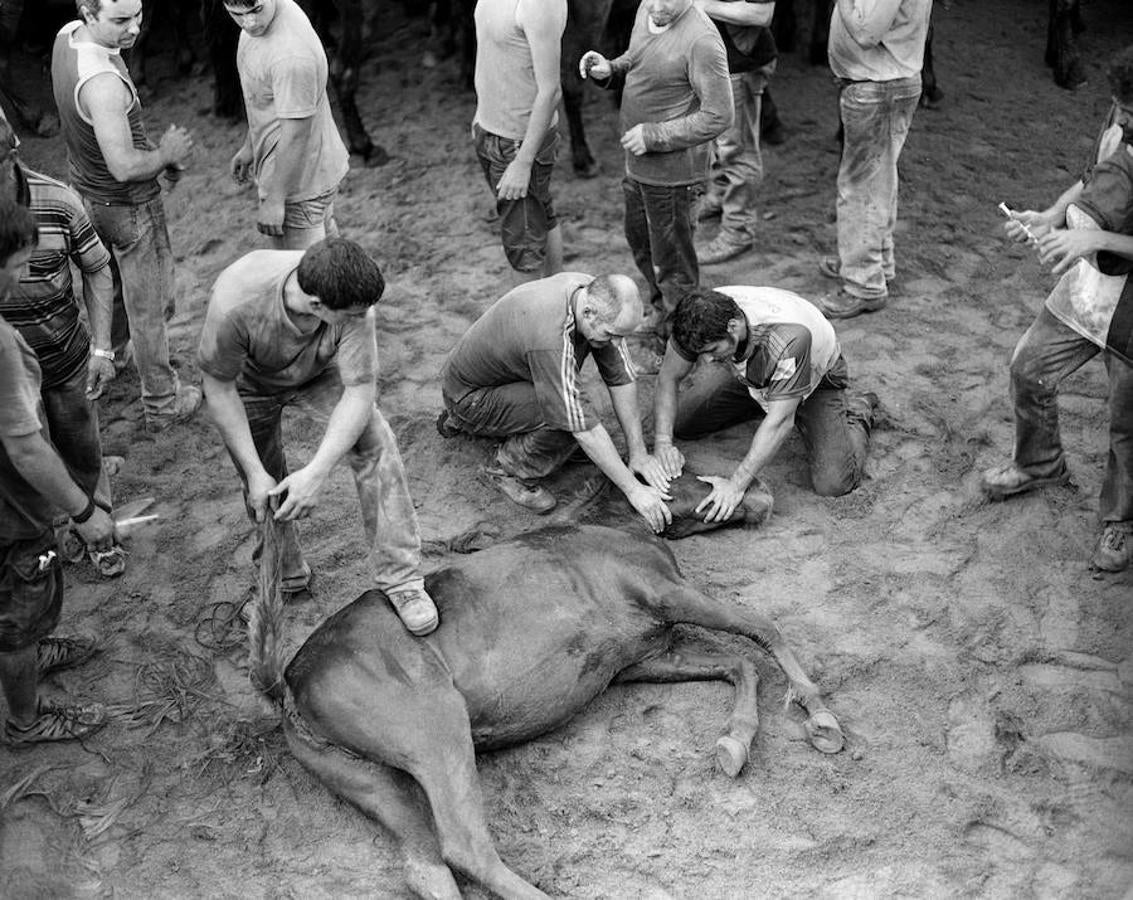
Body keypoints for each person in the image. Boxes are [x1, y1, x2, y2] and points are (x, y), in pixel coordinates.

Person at [198, 239, 439, 636]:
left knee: (375, 441)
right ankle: (283, 575)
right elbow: (219, 388)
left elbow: (360, 390)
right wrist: (255, 471)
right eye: (354, 315)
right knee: (262, 483)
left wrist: (317, 471)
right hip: (248, 384)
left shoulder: (350, 297)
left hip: (320, 372)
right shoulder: (237, 301)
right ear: (316, 305)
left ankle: (402, 579)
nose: (364, 317)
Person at [981, 47, 1133, 574]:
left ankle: (1122, 519)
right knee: (1030, 367)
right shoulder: (1124, 111)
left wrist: (1090, 235)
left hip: (1131, 307)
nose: (1121, 118)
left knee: (1126, 421)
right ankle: (1039, 462)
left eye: (1129, 112)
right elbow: (1094, 178)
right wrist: (1051, 218)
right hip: (1092, 281)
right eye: (1120, 108)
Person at [50, 0, 200, 433]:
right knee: (151, 307)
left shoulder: (66, 38)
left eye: (138, 14)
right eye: (120, 20)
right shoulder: (104, 85)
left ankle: (113, 352)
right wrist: (166, 154)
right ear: (88, 13)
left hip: (87, 196)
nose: (135, 27)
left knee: (109, 283)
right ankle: (162, 402)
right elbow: (124, 166)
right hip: (130, 206)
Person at [0, 198, 114, 745]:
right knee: (20, 602)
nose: (25, 277)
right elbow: (26, 449)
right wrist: (85, 512)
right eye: (18, 264)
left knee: (21, 602)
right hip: (12, 512)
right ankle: (26, 719)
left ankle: (31, 648)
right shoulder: (1, 345)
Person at [438, 272, 673, 531]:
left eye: (622, 335)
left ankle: (502, 423)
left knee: (582, 407)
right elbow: (581, 427)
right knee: (569, 419)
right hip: (470, 397)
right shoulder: (552, 336)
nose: (617, 343)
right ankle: (506, 468)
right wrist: (634, 490)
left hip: (505, 378)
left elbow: (622, 378)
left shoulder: (593, 294)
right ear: (589, 314)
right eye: (611, 335)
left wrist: (638, 452)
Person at [0, 116, 125, 577]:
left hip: (65, 358)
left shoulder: (59, 200)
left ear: (12, 155)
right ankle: (48, 547)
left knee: (82, 449)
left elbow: (96, 267)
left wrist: (103, 349)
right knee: (24, 463)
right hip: (8, 373)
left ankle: (98, 529)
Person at [649, 287, 877, 523]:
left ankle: (856, 412)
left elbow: (781, 423)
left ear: (733, 328)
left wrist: (735, 485)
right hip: (751, 370)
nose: (706, 361)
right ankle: (769, 398)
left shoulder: (788, 339)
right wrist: (662, 443)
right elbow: (668, 377)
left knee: (834, 482)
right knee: (682, 422)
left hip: (814, 376)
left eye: (712, 351)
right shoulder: (695, 320)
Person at [580, 0, 732, 347]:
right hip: (638, 165)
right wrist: (612, 69)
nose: (656, 6)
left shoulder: (702, 40)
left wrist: (654, 135)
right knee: (641, 244)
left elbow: (719, 115)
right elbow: (638, 58)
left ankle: (681, 344)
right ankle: (663, 313)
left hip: (675, 177)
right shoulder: (649, 10)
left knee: (674, 264)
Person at [816, 0, 932, 320]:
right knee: (878, 180)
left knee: (861, 187)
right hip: (883, 83)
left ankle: (863, 283)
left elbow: (866, 31)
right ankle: (875, 262)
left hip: (879, 86)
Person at [224, 0, 351, 250]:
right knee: (331, 264)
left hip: (299, 187)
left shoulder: (290, 56)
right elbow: (269, 98)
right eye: (236, 14)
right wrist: (250, 145)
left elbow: (296, 134)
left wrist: (275, 200)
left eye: (255, 10)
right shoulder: (275, 12)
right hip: (313, 171)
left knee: (302, 280)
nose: (249, 22)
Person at [472, 0, 567, 279]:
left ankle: (532, 316)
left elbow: (551, 91)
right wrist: (481, 116)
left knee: (524, 249)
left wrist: (523, 162)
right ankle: (554, 296)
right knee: (541, 216)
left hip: (518, 143)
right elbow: (492, 52)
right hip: (491, 130)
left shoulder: (540, 4)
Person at [696, 0, 777, 266]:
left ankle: (738, 229)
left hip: (740, 63)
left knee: (737, 149)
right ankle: (719, 196)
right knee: (719, 140)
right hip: (718, 59)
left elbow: (761, 13)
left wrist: (699, 5)